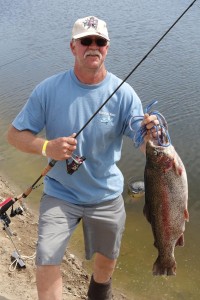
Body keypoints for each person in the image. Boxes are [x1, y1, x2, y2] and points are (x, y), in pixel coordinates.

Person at [7, 16, 159, 300]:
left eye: (99, 41)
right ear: (72, 47)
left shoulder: (124, 94)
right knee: (47, 258)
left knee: (106, 261)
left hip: (106, 194)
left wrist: (152, 135)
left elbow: (143, 143)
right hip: (60, 193)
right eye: (85, 41)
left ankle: (99, 293)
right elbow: (15, 135)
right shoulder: (48, 89)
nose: (93, 46)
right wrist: (45, 147)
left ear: (107, 48)